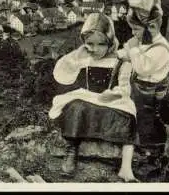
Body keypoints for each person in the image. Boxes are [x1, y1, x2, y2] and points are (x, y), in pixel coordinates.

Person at [48, 13, 138, 182]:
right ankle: (72, 150)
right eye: (90, 43)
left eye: (100, 44)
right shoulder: (86, 58)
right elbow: (62, 74)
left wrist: (115, 93)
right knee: (75, 107)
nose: (95, 49)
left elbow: (125, 87)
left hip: (112, 101)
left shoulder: (120, 61)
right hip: (88, 98)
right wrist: (77, 55)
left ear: (110, 43)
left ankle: (126, 168)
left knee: (128, 116)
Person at [116, 3, 169, 171]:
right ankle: (144, 153)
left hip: (154, 93)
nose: (133, 33)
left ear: (151, 27)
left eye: (136, 29)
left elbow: (143, 67)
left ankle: (154, 157)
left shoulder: (161, 48)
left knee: (152, 123)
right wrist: (126, 52)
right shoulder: (146, 42)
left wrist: (133, 51)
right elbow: (131, 52)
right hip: (142, 89)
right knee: (140, 121)